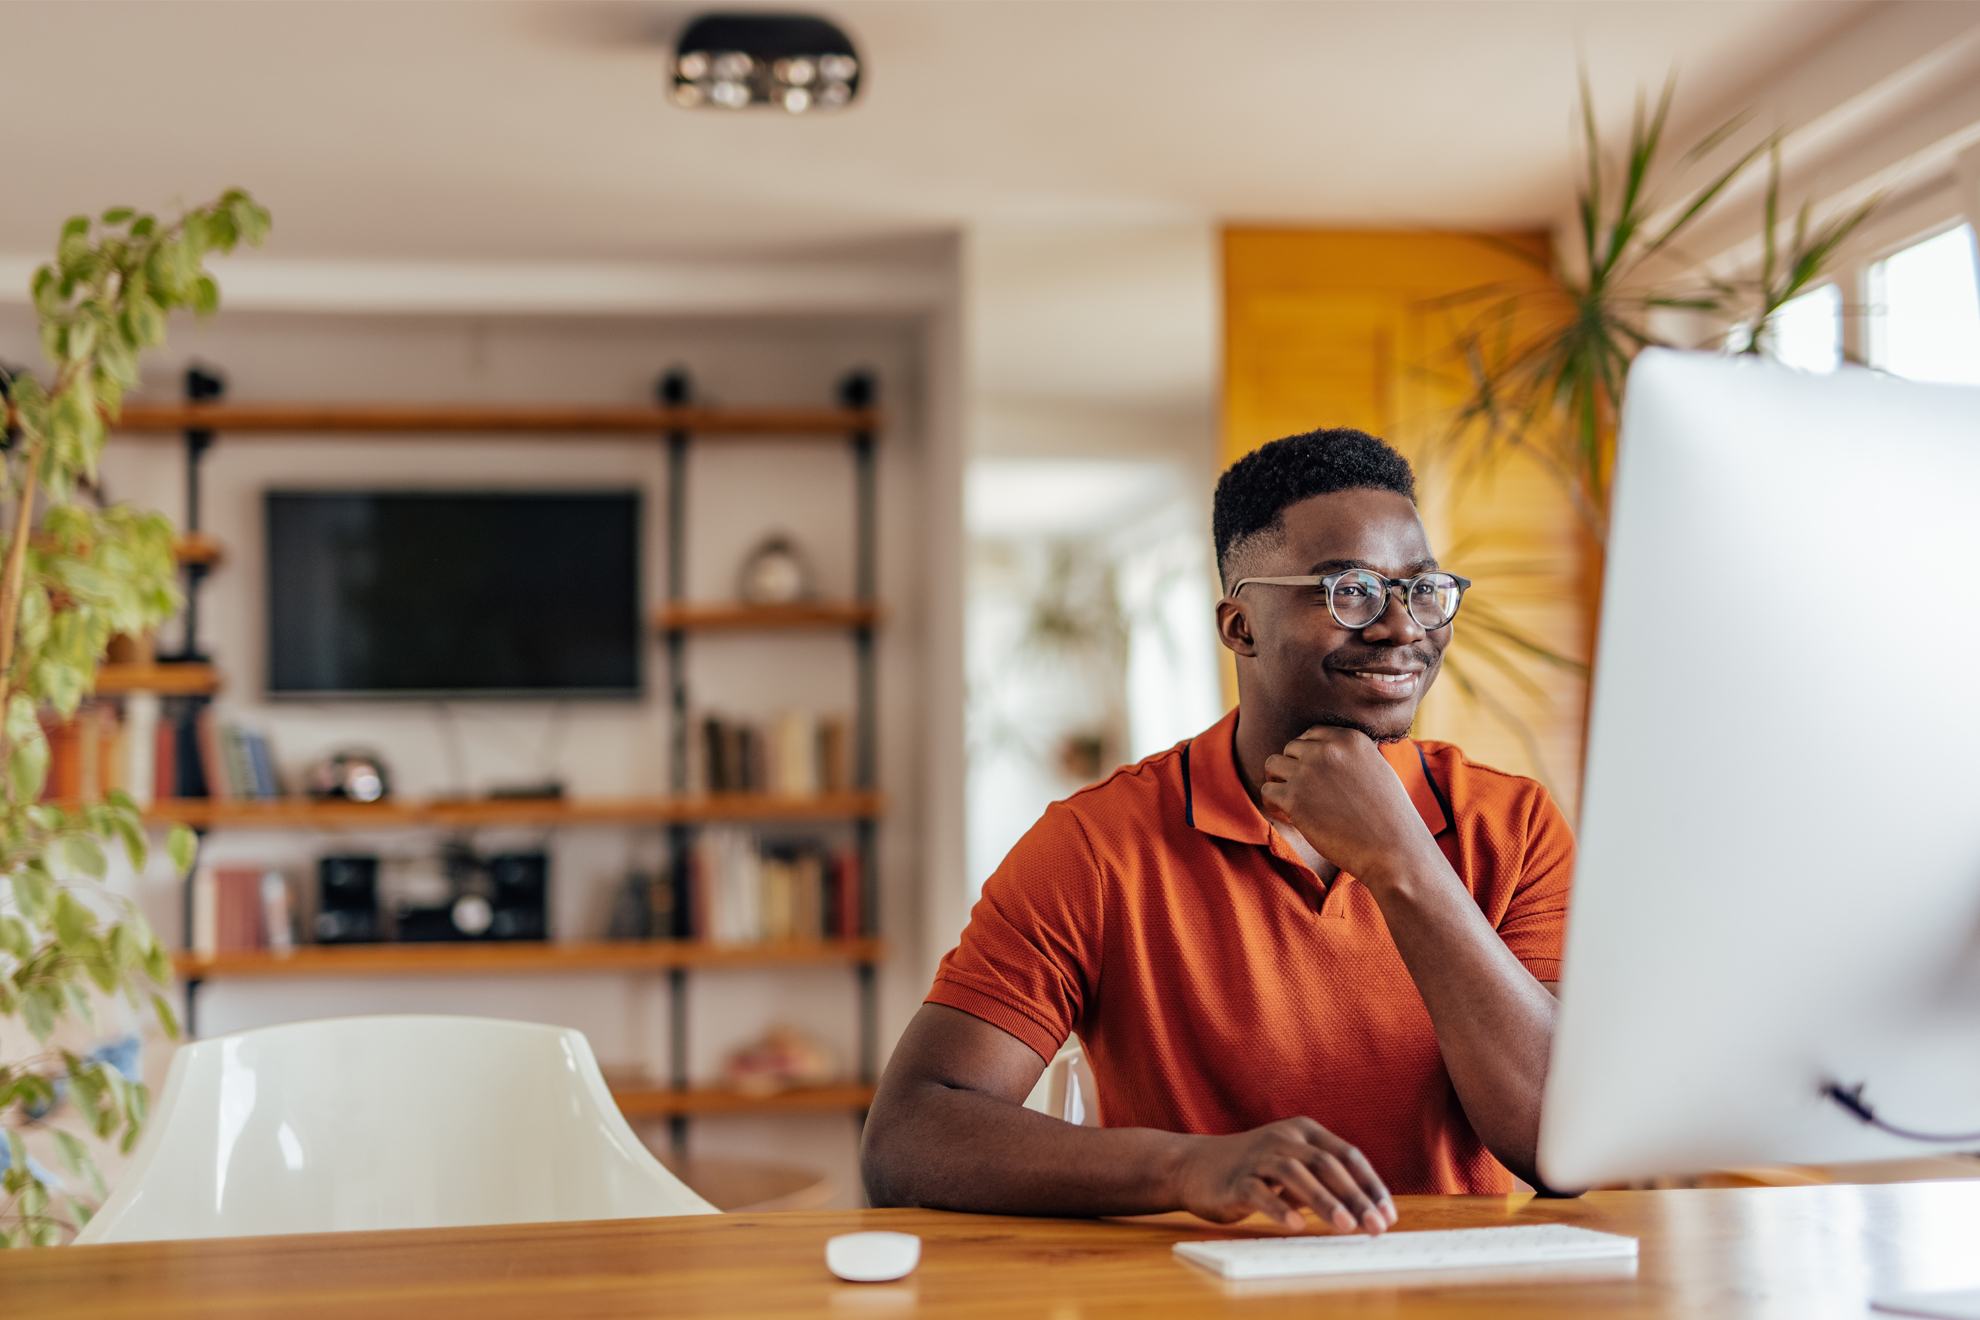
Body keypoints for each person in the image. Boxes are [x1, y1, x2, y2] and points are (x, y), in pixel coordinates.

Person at [862, 428, 1574, 1234]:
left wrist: (1398, 855)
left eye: (1422, 590)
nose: (1403, 627)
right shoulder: (1096, 847)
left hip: (1454, 1294)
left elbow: (1559, 1141)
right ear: (1240, 626)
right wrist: (1188, 1164)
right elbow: (909, 1135)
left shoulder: (1514, 827)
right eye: (1350, 591)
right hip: (1193, 1293)